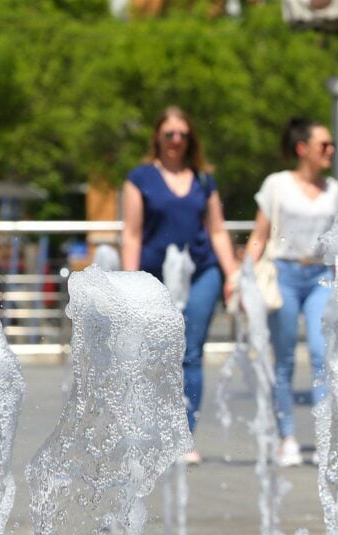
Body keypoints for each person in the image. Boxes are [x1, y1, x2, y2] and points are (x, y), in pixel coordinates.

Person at [122, 106, 239, 465]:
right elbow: (131, 234)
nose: (175, 141)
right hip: (153, 275)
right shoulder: (139, 179)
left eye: (182, 135)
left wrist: (232, 273)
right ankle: (149, 430)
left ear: (190, 140)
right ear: (157, 137)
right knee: (153, 354)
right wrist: (128, 284)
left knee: (190, 352)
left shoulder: (203, 180)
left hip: (201, 271)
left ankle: (183, 436)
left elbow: (218, 230)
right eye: (169, 134)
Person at [245, 118, 338, 468]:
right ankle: (286, 437)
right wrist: (242, 273)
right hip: (283, 273)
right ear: (303, 148)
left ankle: (325, 439)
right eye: (323, 145)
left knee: (321, 354)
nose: (330, 151)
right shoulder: (278, 185)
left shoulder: (335, 189)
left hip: (320, 276)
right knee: (283, 359)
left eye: (331, 145)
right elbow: (260, 232)